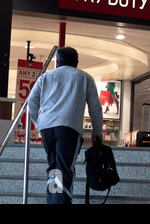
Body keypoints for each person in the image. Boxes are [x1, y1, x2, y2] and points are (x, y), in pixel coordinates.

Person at [28, 47, 103, 204]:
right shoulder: (84, 77)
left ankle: (53, 200)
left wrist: (39, 124)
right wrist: (97, 131)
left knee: (54, 167)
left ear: (57, 62)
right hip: (69, 128)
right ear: (76, 62)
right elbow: (95, 106)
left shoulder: (45, 77)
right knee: (65, 169)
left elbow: (31, 102)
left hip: (47, 128)